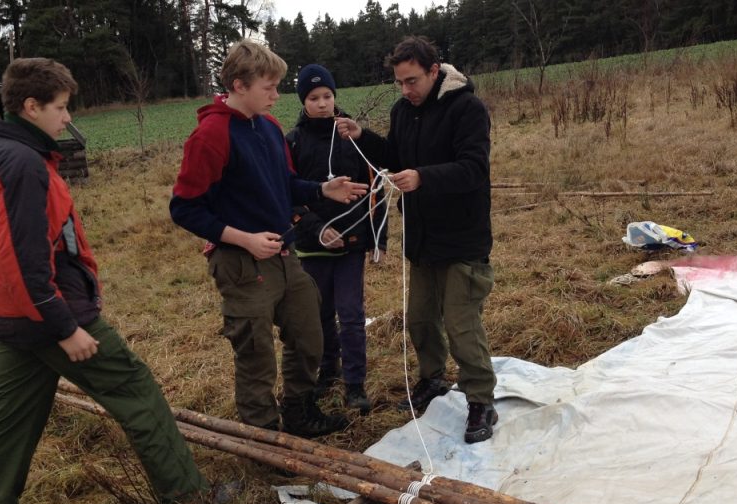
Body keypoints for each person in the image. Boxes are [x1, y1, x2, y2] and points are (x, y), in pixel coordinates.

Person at [0, 58, 209, 504]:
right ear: (30, 107)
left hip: (10, 318)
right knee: (136, 390)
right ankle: (191, 501)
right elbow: (24, 260)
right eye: (61, 108)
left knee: (8, 427)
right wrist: (66, 328)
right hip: (50, 314)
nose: (68, 118)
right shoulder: (22, 164)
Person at [170, 41, 367, 437]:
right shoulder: (211, 135)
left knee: (309, 333)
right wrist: (243, 239)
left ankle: (298, 412)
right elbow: (184, 208)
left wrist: (321, 190)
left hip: (283, 253)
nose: (277, 95)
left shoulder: (270, 126)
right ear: (239, 85)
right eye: (269, 86)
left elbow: (285, 183)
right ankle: (262, 438)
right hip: (241, 262)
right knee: (256, 355)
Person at [336, 36, 497, 444]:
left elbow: (473, 168)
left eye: (412, 81)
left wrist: (424, 177)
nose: (406, 90)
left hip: (462, 237)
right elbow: (395, 152)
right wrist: (364, 136)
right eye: (400, 83)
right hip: (423, 237)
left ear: (433, 70)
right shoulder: (403, 111)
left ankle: (481, 400)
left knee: (461, 324)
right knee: (421, 318)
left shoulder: (466, 108)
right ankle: (433, 378)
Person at [285, 64, 388, 415]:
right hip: (312, 246)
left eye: (328, 96)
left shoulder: (351, 136)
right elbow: (287, 193)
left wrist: (378, 237)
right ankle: (327, 371)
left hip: (351, 243)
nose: (322, 103)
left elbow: (377, 184)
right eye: (314, 98)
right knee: (319, 313)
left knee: (351, 312)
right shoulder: (293, 142)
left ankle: (355, 383)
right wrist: (316, 228)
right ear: (303, 101)